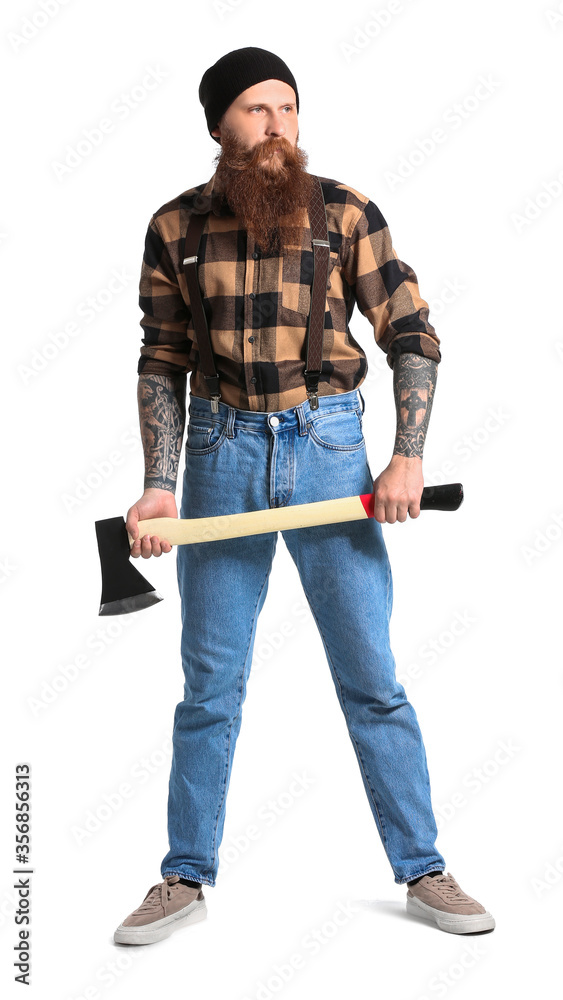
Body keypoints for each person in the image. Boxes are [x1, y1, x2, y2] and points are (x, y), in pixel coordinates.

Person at [113, 47, 495, 945]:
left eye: (287, 106)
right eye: (256, 108)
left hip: (328, 451)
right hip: (220, 456)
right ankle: (183, 876)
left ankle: (422, 866)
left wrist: (405, 458)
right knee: (210, 685)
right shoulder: (175, 226)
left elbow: (411, 332)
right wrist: (158, 486)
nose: (276, 123)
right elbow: (161, 359)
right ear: (219, 125)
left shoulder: (346, 212)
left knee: (371, 678)